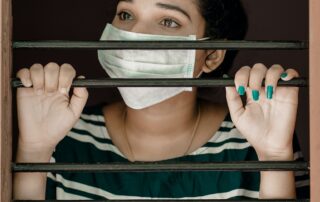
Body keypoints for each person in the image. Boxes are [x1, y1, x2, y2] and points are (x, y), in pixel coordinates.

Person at [13, 0, 309, 200]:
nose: (134, 35)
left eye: (168, 22)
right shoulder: (63, 135)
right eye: (126, 15)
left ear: (213, 55)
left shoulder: (256, 142)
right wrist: (34, 151)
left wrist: (274, 159)